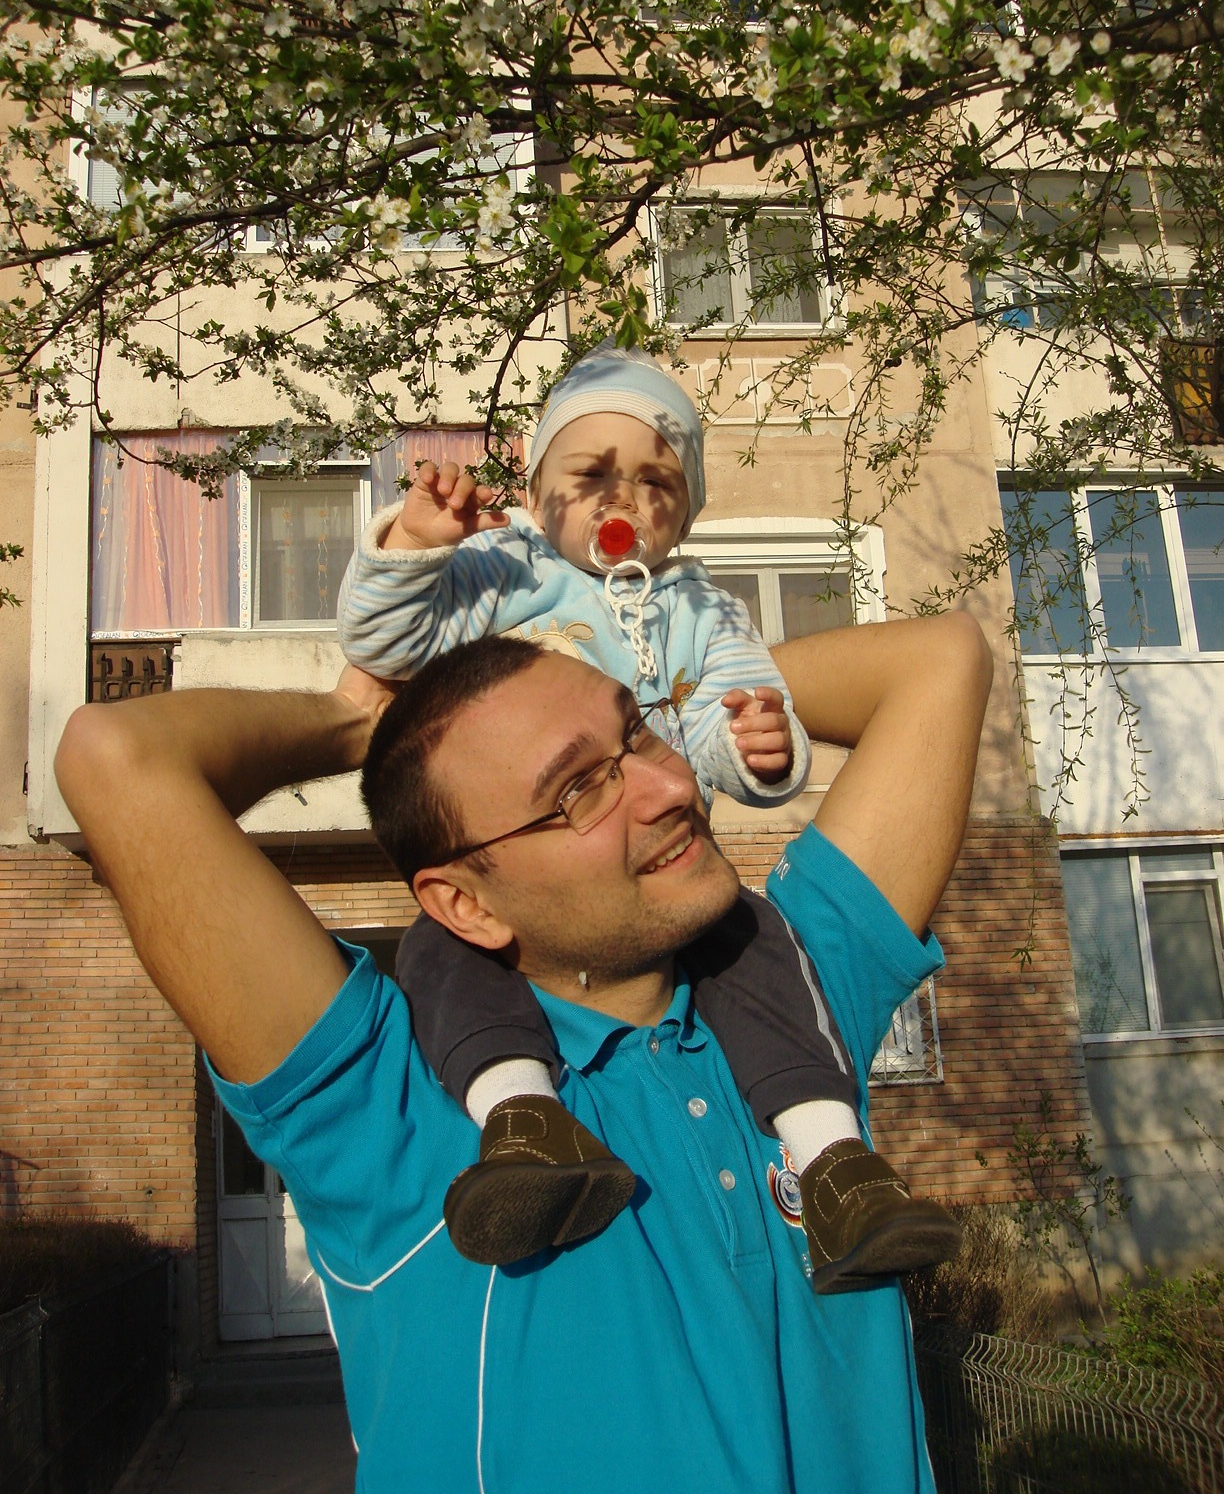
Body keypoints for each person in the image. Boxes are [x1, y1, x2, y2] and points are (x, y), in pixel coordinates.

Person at [55, 610, 992, 1493]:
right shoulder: (392, 1105)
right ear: (466, 904)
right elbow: (117, 757)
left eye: (639, 734)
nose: (672, 788)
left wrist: (686, 693)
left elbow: (940, 658)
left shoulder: (791, 1000)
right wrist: (355, 722)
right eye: (578, 791)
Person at [336, 342, 960, 1280]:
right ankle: (521, 1117)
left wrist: (757, 745)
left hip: (665, 865)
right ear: (535, 488)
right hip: (532, 872)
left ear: (687, 511)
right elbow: (383, 642)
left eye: (657, 483)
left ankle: (835, 1165)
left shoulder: (703, 609)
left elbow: (726, 713)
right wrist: (416, 546)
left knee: (756, 945)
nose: (622, 499)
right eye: (590, 476)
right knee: (443, 952)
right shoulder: (501, 570)